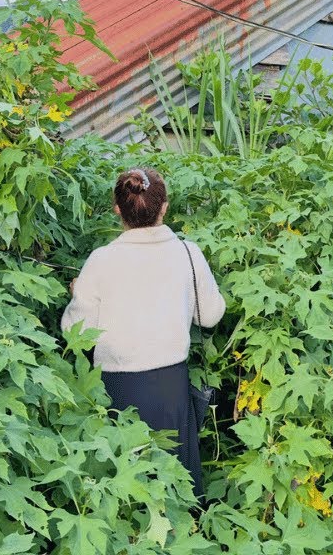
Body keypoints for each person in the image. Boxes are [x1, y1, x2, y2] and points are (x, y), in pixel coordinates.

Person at [61, 167, 226, 497]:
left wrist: (78, 292)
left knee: (123, 489)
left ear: (117, 209)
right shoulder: (188, 253)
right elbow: (209, 316)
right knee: (177, 489)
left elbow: (75, 332)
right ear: (164, 207)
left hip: (115, 389)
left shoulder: (101, 260)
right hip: (170, 388)